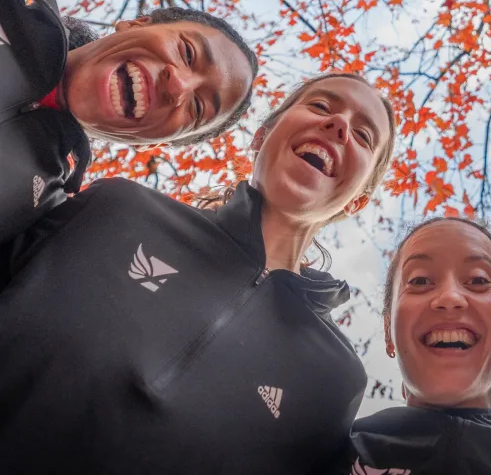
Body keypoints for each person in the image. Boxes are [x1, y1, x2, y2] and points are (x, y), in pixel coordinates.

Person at [0, 71, 397, 473]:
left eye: (363, 136)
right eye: (321, 106)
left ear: (357, 202)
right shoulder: (119, 207)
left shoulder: (335, 381)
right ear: (261, 136)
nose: (339, 125)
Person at [0, 0, 258, 242]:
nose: (179, 85)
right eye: (187, 52)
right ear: (135, 24)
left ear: (150, 144)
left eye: (197, 107)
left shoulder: (37, 223)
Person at [331, 217, 491, 474]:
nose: (450, 297)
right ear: (388, 331)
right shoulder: (321, 457)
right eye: (419, 281)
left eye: (478, 280)